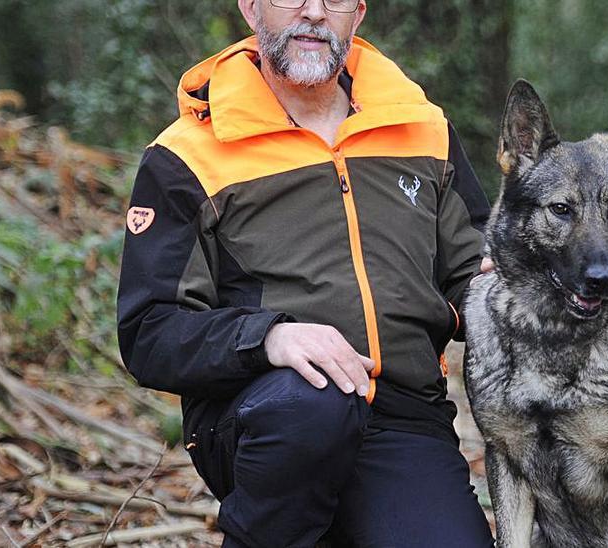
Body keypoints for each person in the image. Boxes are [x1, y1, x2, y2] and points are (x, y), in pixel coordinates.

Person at [115, 0, 494, 545]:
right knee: (314, 406)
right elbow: (149, 331)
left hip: (403, 417)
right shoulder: (187, 156)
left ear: (357, 15)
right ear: (250, 8)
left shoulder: (421, 128)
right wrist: (269, 337)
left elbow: (469, 266)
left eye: (335, 0)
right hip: (265, 418)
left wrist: (503, 291)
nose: (314, 12)